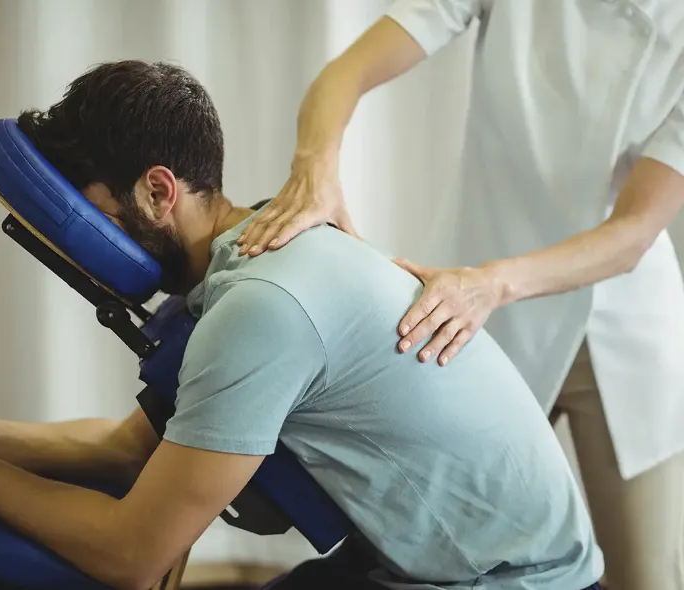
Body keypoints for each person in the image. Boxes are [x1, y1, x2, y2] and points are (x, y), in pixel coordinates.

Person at [0, 60, 604, 590]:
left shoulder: (262, 306)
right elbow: (129, 448)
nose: (88, 245)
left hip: (515, 582)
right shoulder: (255, 261)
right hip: (467, 564)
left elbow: (133, 555)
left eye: (96, 216)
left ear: (158, 192)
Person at [236, 4, 684, 589]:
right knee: (422, 555)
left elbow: (632, 234)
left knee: (646, 575)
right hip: (473, 318)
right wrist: (313, 170)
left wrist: (490, 284)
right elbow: (344, 74)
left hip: (617, 332)